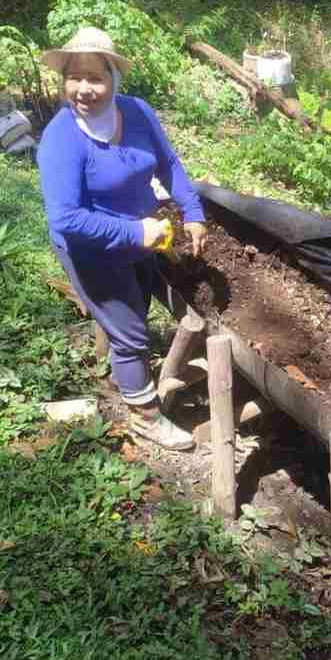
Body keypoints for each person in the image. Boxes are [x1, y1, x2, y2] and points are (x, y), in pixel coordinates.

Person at [37, 27, 207, 451]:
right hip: (91, 248)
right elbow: (65, 217)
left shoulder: (137, 112)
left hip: (140, 234)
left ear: (114, 78)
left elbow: (168, 163)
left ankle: (121, 364)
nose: (83, 89)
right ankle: (145, 418)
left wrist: (194, 211)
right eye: (73, 77)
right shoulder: (61, 138)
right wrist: (136, 231)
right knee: (131, 332)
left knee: (138, 304)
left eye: (95, 77)